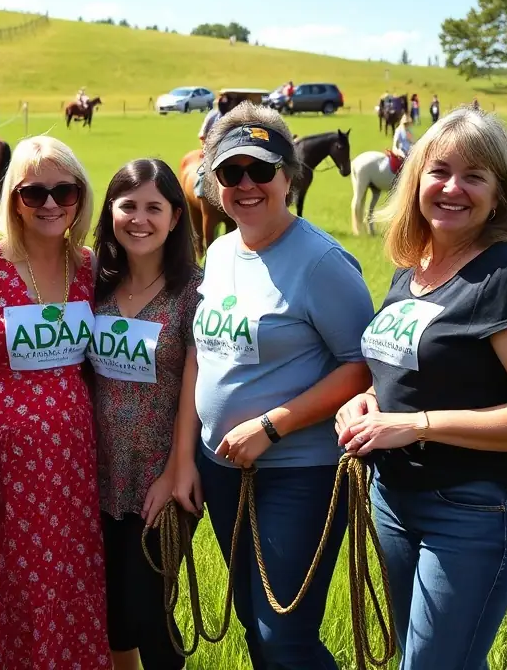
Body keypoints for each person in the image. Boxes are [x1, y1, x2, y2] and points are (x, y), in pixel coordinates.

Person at [336, 106, 507, 669]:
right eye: (439, 170)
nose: (452, 188)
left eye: (475, 176)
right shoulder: (412, 267)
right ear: (415, 176)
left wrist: (414, 425)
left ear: (500, 192)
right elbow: (404, 368)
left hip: (474, 510)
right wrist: (369, 399)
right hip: (394, 500)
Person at [172, 101, 375, 668]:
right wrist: (188, 454)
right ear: (214, 183)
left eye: (261, 170)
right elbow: (199, 354)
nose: (246, 185)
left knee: (284, 635)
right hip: (221, 470)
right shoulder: (217, 252)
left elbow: (361, 367)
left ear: (289, 175)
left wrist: (272, 425)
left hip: (297, 473)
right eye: (231, 172)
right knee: (254, 626)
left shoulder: (321, 262)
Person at [0, 135, 109, 668]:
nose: (51, 204)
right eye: (34, 193)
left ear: (81, 197)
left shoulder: (91, 267)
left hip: (73, 465)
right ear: (13, 197)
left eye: (65, 190)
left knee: (68, 580)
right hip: (3, 464)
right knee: (4, 583)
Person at [89, 158, 202, 670]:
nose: (140, 219)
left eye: (154, 208)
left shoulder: (195, 294)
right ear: (111, 213)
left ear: (176, 217)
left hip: (162, 475)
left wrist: (177, 469)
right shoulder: (95, 288)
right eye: (128, 206)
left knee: (148, 611)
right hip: (95, 474)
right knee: (110, 613)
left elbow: (195, 391)